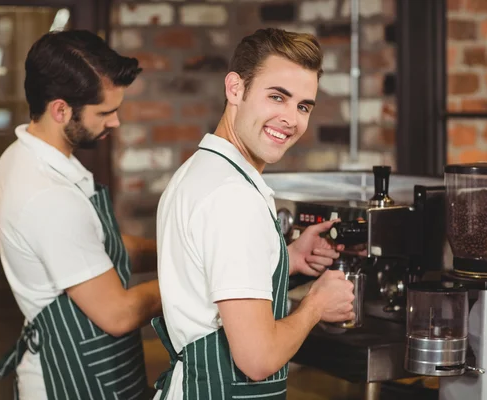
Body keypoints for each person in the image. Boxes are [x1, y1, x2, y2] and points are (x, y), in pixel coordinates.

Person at [152, 28, 356, 400]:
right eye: (277, 97)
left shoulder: (201, 171)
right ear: (235, 89)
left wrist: (286, 259)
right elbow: (258, 359)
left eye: (303, 106)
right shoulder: (233, 196)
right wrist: (316, 305)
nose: (291, 119)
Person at [0, 29, 161, 400]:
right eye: (106, 112)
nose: (115, 122)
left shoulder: (24, 156)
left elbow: (97, 245)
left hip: (99, 369)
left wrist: (173, 250)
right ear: (61, 109)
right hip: (72, 380)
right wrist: (205, 273)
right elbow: (118, 314)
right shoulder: (46, 196)